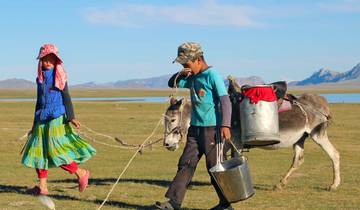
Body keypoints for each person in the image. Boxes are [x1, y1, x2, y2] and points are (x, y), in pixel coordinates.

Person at [155, 42, 233, 210]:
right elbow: (172, 83)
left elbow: (225, 101)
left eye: (186, 63)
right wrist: (181, 73)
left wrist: (225, 125)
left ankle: (226, 205)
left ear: (198, 59)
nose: (185, 67)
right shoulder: (192, 77)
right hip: (194, 130)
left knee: (216, 168)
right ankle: (174, 203)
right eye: (182, 64)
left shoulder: (212, 75)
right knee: (186, 163)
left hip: (213, 131)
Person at [21, 43, 96, 195]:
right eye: (44, 59)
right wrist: (34, 124)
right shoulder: (40, 79)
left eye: (50, 59)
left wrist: (72, 117)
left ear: (56, 61)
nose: (47, 62)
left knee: (56, 151)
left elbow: (66, 96)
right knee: (38, 151)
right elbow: (39, 101)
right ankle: (42, 187)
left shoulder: (60, 76)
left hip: (56, 116)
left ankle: (81, 173)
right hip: (42, 117)